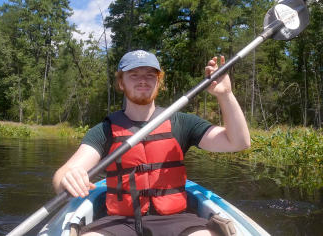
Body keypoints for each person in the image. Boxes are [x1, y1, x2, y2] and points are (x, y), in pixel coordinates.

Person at [52, 50, 250, 236]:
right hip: (118, 222)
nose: (143, 81)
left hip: (176, 219)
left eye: (149, 75)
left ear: (159, 81)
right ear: (121, 82)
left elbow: (238, 142)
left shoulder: (182, 122)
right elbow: (64, 173)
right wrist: (66, 178)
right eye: (134, 75)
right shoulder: (104, 130)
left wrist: (226, 95)